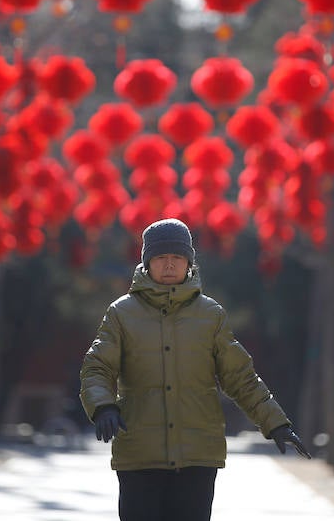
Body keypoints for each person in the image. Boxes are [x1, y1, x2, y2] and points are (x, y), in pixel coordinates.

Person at [80, 217, 311, 521]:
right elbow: (97, 367)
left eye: (177, 257)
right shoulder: (121, 313)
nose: (169, 265)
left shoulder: (210, 315)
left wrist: (275, 423)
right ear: (147, 262)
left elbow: (240, 378)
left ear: (188, 262)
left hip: (197, 454)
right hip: (140, 453)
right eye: (161, 258)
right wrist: (103, 406)